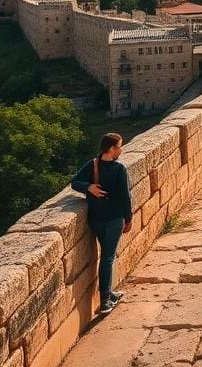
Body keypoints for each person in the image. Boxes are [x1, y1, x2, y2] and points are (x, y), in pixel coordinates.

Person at [71, 132, 133, 314]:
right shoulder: (119, 169)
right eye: (119, 146)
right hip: (114, 218)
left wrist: (88, 186)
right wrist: (129, 218)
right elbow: (125, 197)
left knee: (106, 256)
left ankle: (110, 293)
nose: (121, 150)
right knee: (108, 257)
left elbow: (75, 182)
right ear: (112, 148)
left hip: (96, 219)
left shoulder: (93, 165)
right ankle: (105, 300)